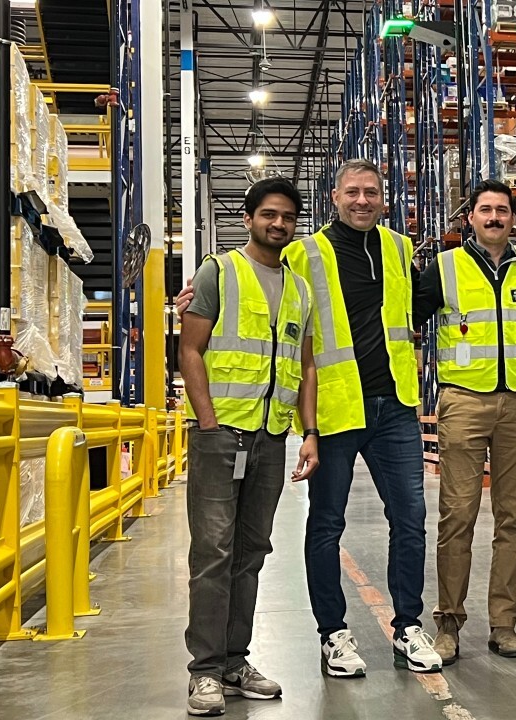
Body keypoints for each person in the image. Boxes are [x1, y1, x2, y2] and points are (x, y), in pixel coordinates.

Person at [178, 159, 441, 678]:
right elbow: (265, 290)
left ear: (384, 199)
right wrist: (194, 296)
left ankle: (408, 624)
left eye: (371, 192)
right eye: (352, 192)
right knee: (326, 525)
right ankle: (333, 633)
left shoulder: (400, 248)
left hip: (394, 406)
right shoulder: (301, 252)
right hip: (335, 407)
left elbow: (422, 304)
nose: (362, 200)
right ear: (334, 198)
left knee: (410, 519)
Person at [180, 178, 319, 715]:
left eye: (286, 216)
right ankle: (205, 671)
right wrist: (209, 422)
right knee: (212, 554)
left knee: (250, 553)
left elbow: (304, 366)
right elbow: (190, 349)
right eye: (268, 215)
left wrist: (308, 433)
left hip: (270, 439)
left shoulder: (300, 289)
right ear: (249, 218)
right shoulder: (220, 272)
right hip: (221, 436)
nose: (278, 223)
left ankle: (235, 660)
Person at [413, 179, 516, 663]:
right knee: (458, 516)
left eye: (502, 211)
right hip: (464, 402)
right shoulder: (443, 269)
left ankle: (504, 625)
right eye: (485, 210)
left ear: (513, 219)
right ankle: (448, 623)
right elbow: (401, 319)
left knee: (513, 519)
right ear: (469, 217)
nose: (494, 218)